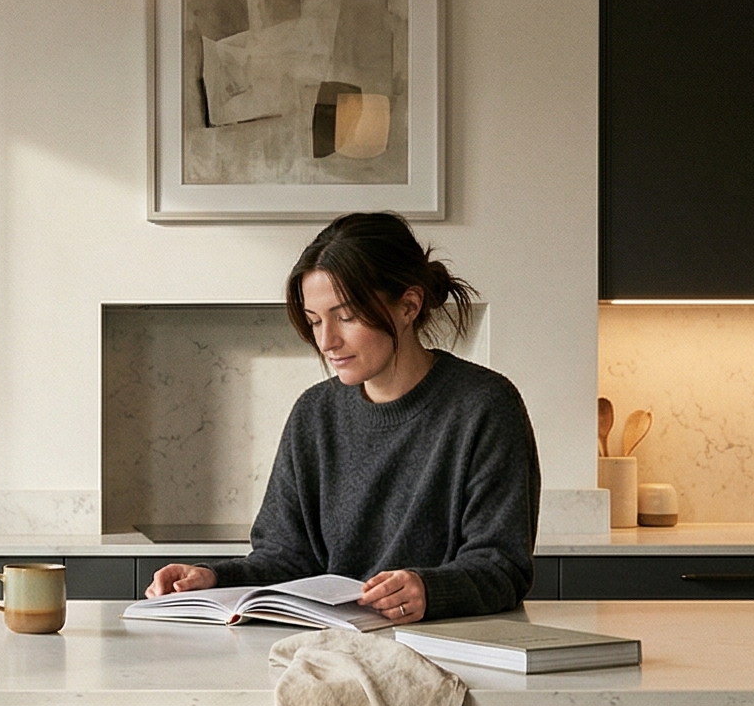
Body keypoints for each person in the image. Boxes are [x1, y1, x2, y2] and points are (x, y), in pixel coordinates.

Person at [146, 212, 541, 624]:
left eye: (346, 317)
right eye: (315, 321)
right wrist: (212, 578)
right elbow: (285, 559)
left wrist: (429, 589)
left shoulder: (485, 406)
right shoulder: (313, 414)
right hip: (327, 647)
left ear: (409, 305)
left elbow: (502, 566)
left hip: (448, 648)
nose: (326, 341)